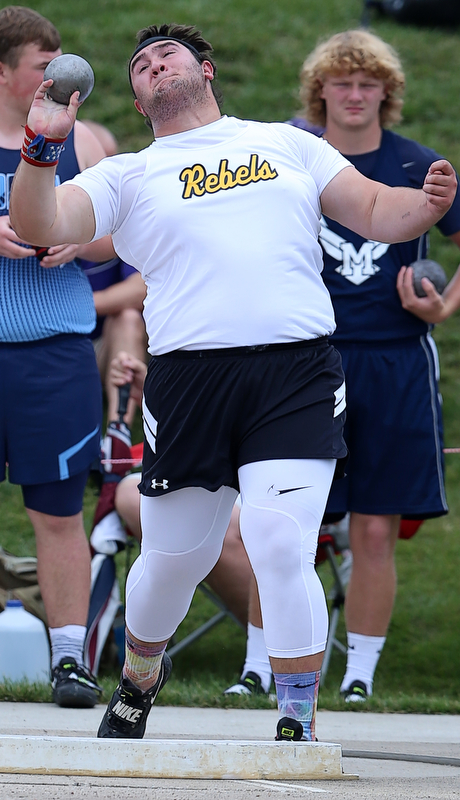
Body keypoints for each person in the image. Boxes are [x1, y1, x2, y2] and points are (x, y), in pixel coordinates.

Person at [9, 22, 456, 742]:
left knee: (283, 544)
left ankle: (296, 713)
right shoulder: (131, 175)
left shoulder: (287, 143)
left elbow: (376, 210)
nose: (155, 64)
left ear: (206, 71)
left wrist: (426, 207)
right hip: (190, 381)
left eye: (169, 54)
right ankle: (142, 673)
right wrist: (42, 144)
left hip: (296, 370)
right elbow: (40, 223)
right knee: (170, 562)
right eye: (141, 65)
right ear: (137, 96)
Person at [293, 29, 460, 702]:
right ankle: (259, 666)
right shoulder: (293, 159)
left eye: (369, 84)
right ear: (321, 91)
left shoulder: (418, 163)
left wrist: (443, 307)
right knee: (290, 523)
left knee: (373, 524)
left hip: (395, 359)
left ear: (386, 94)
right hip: (307, 361)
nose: (355, 95)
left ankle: (359, 676)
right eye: (343, 83)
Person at [0, 5, 110, 707]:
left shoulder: (86, 140)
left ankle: (69, 658)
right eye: (43, 64)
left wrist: (80, 237)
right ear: (4, 71)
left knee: (59, 509)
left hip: (53, 351)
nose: (58, 74)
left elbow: (120, 238)